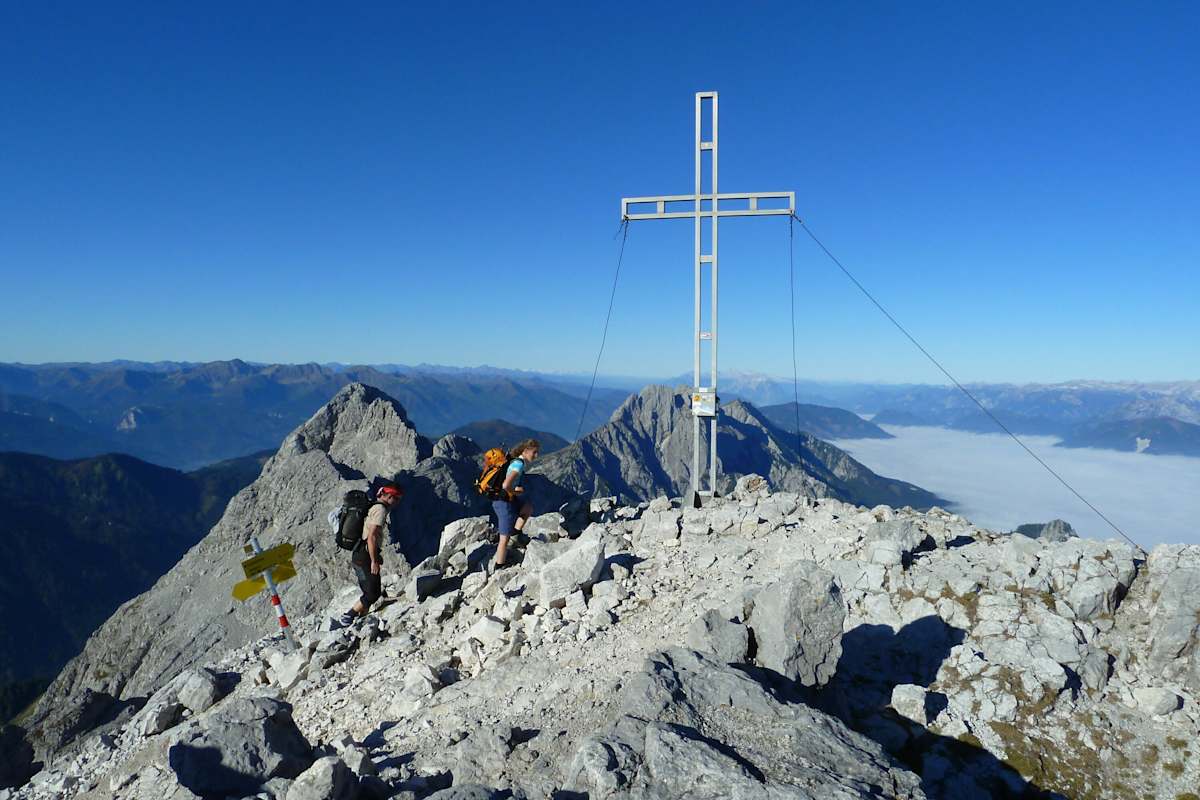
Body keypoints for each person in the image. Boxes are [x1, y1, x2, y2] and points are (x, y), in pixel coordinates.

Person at [336, 482, 403, 627]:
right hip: (364, 556)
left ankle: (361, 621)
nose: (397, 502)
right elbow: (371, 536)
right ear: (389, 496)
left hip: (360, 554)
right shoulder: (380, 510)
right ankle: (347, 617)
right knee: (372, 593)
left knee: (372, 590)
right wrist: (374, 561)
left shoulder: (373, 506)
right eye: (397, 499)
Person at [493, 438, 539, 570]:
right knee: (504, 538)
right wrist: (515, 491)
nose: (536, 456)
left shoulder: (515, 461)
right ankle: (499, 565)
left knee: (527, 508)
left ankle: (516, 534)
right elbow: (505, 485)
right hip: (503, 502)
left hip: (508, 499)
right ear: (525, 451)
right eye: (534, 452)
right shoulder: (518, 464)